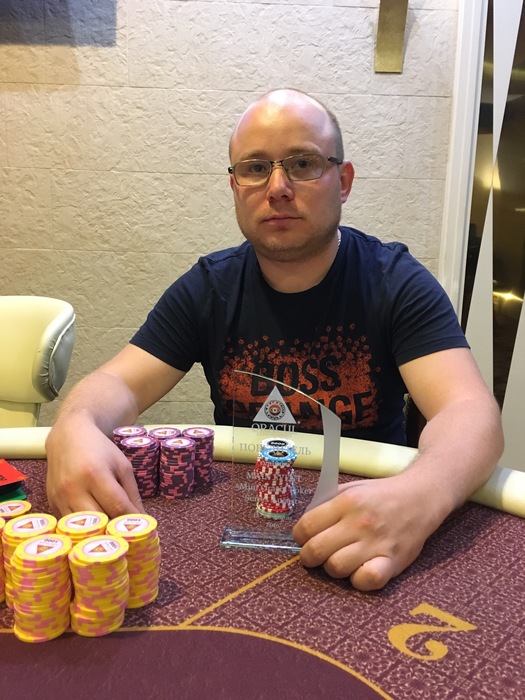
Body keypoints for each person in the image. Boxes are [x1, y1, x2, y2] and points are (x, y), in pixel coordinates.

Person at [45, 88, 504, 591]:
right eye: (256, 168)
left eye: (303, 164)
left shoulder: (395, 281)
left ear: (343, 181)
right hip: (240, 529)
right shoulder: (209, 287)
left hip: (370, 529)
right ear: (234, 185)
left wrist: (420, 493)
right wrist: (75, 424)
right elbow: (119, 383)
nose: (278, 187)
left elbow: (470, 412)